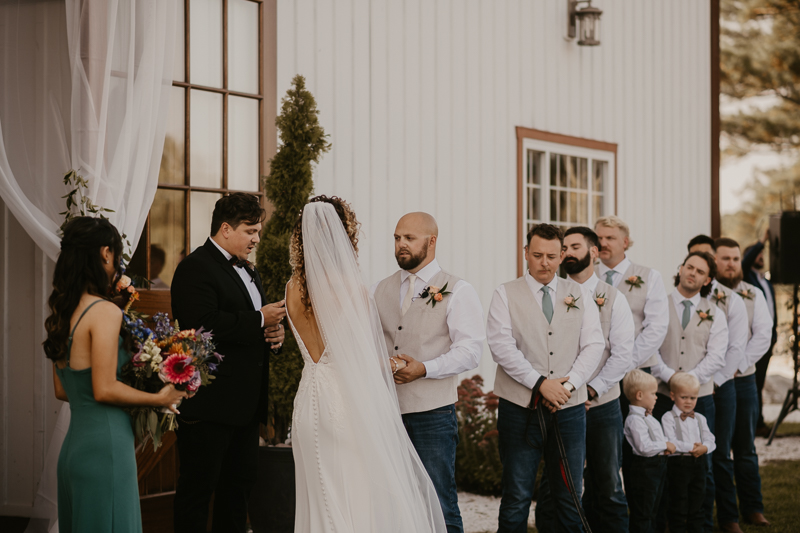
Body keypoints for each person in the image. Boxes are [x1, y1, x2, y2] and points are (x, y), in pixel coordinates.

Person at [287, 197, 447, 532]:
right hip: (343, 406)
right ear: (345, 236)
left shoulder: (291, 289)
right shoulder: (353, 290)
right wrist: (393, 364)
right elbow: (357, 358)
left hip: (307, 403)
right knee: (354, 496)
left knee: (316, 495)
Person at [43, 217, 187, 533]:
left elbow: (63, 389)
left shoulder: (63, 313)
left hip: (74, 453)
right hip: (107, 450)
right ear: (105, 253)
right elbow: (104, 389)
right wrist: (158, 397)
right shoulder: (105, 311)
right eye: (117, 255)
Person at [170, 193, 286, 533]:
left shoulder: (249, 270)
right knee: (196, 493)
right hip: (209, 406)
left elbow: (256, 325)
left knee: (237, 494)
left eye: (258, 231)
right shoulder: (195, 268)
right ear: (225, 228)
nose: (256, 239)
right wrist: (258, 320)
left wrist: (274, 337)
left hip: (246, 409)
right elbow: (200, 324)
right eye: (250, 231)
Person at [371, 212, 485, 533]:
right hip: (386, 413)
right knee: (393, 503)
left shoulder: (458, 290)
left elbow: (470, 351)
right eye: (397, 238)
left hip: (432, 414)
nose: (401, 245)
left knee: (439, 501)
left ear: (431, 241)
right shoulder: (378, 288)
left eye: (409, 238)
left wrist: (425, 369)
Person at [487, 223, 604, 532]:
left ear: (562, 254)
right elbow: (501, 346)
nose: (545, 263)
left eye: (552, 256)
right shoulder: (505, 293)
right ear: (526, 253)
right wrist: (541, 384)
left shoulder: (577, 292)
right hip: (519, 409)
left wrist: (567, 386)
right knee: (517, 494)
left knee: (568, 493)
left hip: (569, 409)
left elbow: (594, 344)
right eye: (537, 255)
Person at [536, 226, 634, 533]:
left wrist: (591, 389)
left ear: (593, 252)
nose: (566, 253)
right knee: (555, 484)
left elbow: (622, 354)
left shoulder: (614, 298)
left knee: (608, 484)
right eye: (563, 248)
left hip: (601, 405)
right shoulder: (549, 293)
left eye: (574, 246)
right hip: (559, 404)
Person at [651, 251, 728, 530]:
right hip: (661, 396)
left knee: (701, 464)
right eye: (689, 267)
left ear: (707, 279)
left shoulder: (715, 314)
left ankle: (700, 525)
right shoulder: (658, 305)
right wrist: (671, 377)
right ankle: (662, 525)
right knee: (662, 462)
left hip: (701, 399)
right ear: (681, 268)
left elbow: (717, 356)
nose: (692, 273)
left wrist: (688, 383)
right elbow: (651, 347)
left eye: (700, 271)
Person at [687, 235, 749, 531]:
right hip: (680, 389)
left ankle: (728, 517)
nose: (697, 268)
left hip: (718, 387)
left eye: (704, 260)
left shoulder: (728, 299)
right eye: (693, 259)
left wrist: (714, 381)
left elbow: (735, 348)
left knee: (719, 452)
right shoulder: (681, 294)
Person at [713, 238, 772, 530]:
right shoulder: (707, 295)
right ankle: (728, 516)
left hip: (744, 380)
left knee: (746, 447)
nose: (731, 264)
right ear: (714, 261)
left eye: (735, 259)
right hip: (716, 383)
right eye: (725, 258)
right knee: (721, 448)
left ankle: (753, 507)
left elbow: (763, 334)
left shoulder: (753, 294)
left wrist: (735, 366)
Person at [661, 372, 716, 533]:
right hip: (678, 465)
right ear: (673, 396)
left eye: (693, 398)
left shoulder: (699, 418)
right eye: (684, 397)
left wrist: (705, 448)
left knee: (698, 501)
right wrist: (692, 447)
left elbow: (710, 438)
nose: (688, 402)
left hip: (699, 464)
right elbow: (670, 442)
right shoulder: (668, 417)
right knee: (679, 502)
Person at [622, 369, 675, 533]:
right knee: (643, 512)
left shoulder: (649, 417)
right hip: (645, 470)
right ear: (639, 395)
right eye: (653, 393)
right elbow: (643, 447)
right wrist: (664, 445)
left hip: (658, 466)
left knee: (655, 508)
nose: (656, 397)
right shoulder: (634, 420)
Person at [742, 229, 778, 435]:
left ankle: (759, 421)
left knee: (760, 382)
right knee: (753, 383)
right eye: (758, 254)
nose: (761, 257)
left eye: (762, 255)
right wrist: (761, 242)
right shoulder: (747, 277)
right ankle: (755, 424)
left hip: (769, 338)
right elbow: (745, 262)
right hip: (753, 340)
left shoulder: (765, 281)